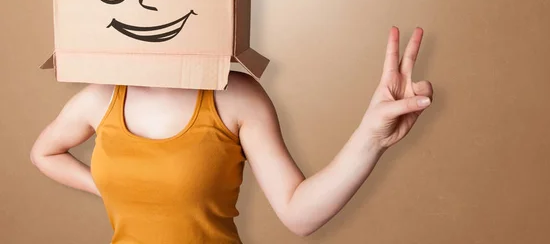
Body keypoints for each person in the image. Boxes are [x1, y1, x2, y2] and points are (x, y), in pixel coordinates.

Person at [30, 26, 434, 243]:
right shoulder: (99, 96)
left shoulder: (235, 94)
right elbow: (44, 154)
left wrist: (371, 137)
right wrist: (114, 187)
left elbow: (298, 214)